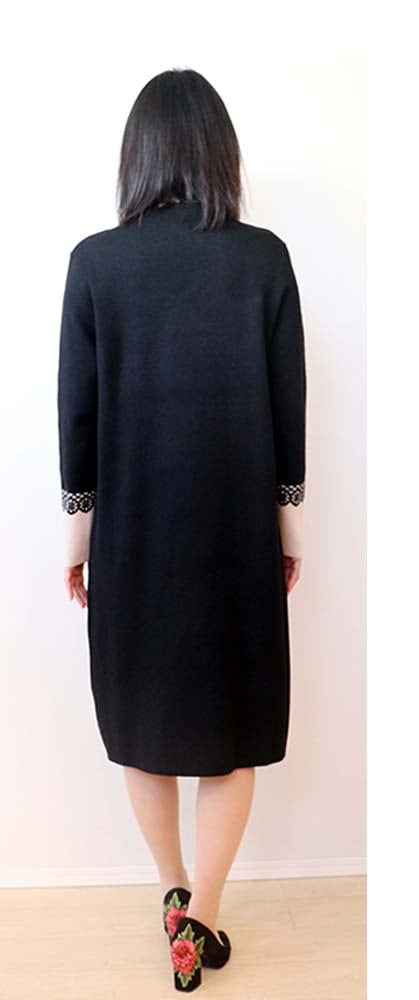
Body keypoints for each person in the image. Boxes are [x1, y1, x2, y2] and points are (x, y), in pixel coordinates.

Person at [57, 67, 306, 990]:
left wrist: (78, 548)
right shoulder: (263, 258)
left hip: (132, 541)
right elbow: (288, 407)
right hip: (235, 536)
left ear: (138, 155)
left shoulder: (95, 262)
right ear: (218, 152)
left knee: (144, 725)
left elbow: (77, 419)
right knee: (230, 734)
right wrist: (288, 531)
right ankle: (203, 913)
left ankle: (171, 890)